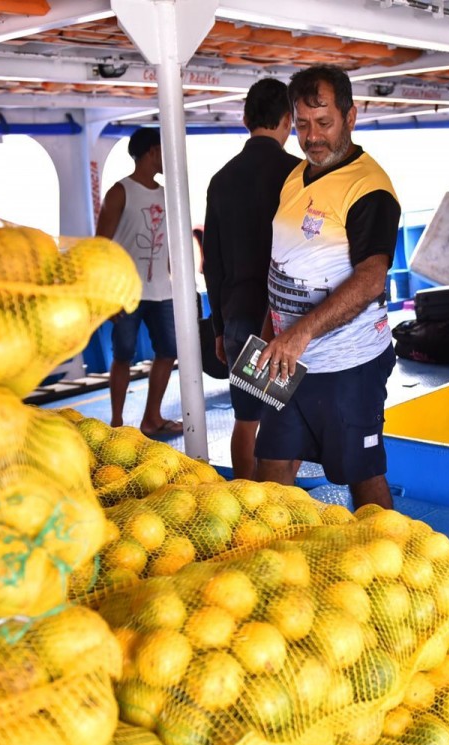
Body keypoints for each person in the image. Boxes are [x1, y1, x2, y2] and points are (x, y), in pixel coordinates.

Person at [254, 65, 401, 510]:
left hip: (349, 366)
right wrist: (271, 333)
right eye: (301, 124)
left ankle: (390, 564)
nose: (311, 136)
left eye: (324, 123)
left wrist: (300, 333)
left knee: (363, 476)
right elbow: (283, 263)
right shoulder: (295, 176)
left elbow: (371, 278)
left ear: (351, 117)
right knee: (269, 479)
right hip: (288, 361)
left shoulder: (369, 187)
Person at [202, 78, 300, 480]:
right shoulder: (298, 175)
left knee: (246, 418)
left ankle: (244, 500)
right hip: (288, 319)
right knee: (287, 415)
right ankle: (281, 503)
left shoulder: (222, 180)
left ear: (244, 118)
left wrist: (219, 328)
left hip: (239, 314)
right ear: (288, 120)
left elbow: (213, 263)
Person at [96, 127, 182, 438]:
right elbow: (101, 246)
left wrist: (180, 283)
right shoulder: (120, 192)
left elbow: (171, 244)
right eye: (163, 150)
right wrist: (107, 295)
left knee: (168, 351)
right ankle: (117, 423)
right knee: (123, 355)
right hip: (126, 293)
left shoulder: (165, 193)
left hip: (162, 290)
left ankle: (151, 418)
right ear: (151, 153)